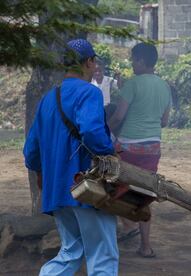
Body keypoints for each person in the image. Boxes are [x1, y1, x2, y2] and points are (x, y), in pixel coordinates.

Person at [23, 39, 119, 275]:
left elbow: (31, 150)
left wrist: (41, 174)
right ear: (89, 62)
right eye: (93, 61)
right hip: (87, 187)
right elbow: (91, 132)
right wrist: (110, 152)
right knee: (103, 254)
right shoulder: (90, 93)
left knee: (70, 252)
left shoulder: (48, 99)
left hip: (57, 190)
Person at [108, 42, 171, 258]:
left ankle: (127, 225)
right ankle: (146, 246)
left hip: (128, 147)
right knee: (144, 193)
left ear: (142, 61)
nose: (132, 63)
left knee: (112, 187)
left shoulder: (132, 84)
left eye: (134, 59)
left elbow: (118, 116)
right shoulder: (165, 86)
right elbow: (164, 121)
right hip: (153, 148)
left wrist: (104, 129)